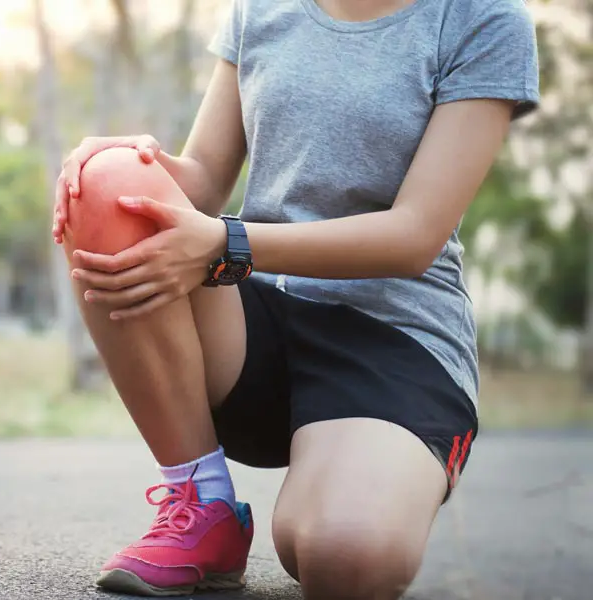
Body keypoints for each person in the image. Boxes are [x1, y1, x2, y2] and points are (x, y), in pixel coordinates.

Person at [52, 0, 540, 597]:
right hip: (252, 318)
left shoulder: (482, 19)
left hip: (394, 337)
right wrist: (127, 165)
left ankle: (370, 473)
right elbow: (203, 175)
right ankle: (203, 504)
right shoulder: (260, 8)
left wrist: (227, 241)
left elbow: (414, 235)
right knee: (108, 180)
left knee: (344, 555)